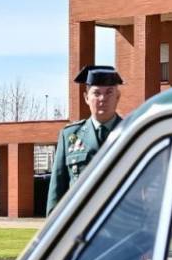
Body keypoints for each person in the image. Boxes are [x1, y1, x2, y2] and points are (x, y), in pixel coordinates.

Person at [46, 65, 124, 214]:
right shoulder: (69, 136)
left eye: (109, 92)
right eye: (96, 93)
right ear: (86, 98)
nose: (103, 98)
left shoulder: (130, 131)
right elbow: (57, 191)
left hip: (121, 226)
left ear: (118, 97)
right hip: (80, 226)